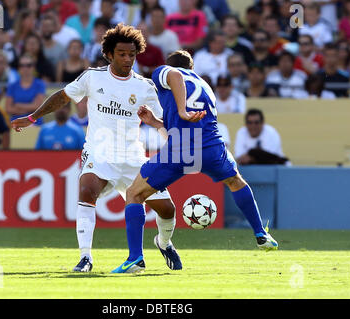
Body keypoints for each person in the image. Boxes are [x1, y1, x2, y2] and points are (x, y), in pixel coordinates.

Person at [10, 24, 177, 273]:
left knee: (167, 210)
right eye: (122, 54)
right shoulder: (93, 77)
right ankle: (85, 257)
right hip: (99, 152)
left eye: (132, 54)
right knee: (87, 190)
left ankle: (163, 242)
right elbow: (63, 96)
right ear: (109, 54)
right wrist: (33, 117)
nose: (128, 59)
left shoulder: (145, 87)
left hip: (132, 156)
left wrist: (160, 125)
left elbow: (166, 123)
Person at [111, 50, 278, 273]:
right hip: (211, 147)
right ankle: (260, 233)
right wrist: (156, 122)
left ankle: (135, 258)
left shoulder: (167, 72)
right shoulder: (205, 86)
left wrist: (181, 110)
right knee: (236, 182)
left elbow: (175, 79)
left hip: (180, 150)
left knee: (134, 194)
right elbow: (190, 123)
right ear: (193, 68)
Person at [5, 54, 46, 125]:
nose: (25, 68)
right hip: (16, 124)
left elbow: (37, 106)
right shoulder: (12, 86)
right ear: (19, 68)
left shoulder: (40, 84)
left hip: (35, 124)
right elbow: (8, 108)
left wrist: (18, 105)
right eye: (22, 65)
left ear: (33, 67)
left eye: (28, 65)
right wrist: (29, 111)